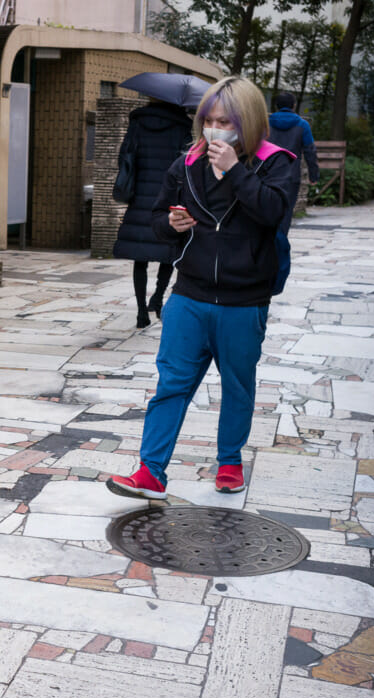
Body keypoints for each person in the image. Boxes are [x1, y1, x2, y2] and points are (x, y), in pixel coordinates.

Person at [105, 76, 295, 500]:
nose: (213, 129)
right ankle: (150, 471)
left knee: (237, 384)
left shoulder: (276, 162)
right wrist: (169, 225)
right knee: (171, 384)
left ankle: (229, 461)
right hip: (189, 296)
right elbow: (157, 217)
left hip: (243, 301)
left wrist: (233, 171)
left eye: (224, 120)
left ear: (246, 122)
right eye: (207, 119)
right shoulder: (186, 163)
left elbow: (273, 212)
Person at [112, 99, 192, 328]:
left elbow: (124, 157)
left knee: (140, 256)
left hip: (140, 196)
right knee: (167, 251)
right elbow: (185, 163)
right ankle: (157, 298)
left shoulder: (137, 123)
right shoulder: (181, 126)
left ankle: (140, 313)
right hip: (167, 197)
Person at [267, 92, 319, 295]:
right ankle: (278, 253)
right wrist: (314, 174)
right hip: (290, 178)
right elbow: (310, 150)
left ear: (276, 105)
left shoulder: (265, 124)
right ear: (294, 105)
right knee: (285, 215)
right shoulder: (302, 125)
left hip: (267, 174)